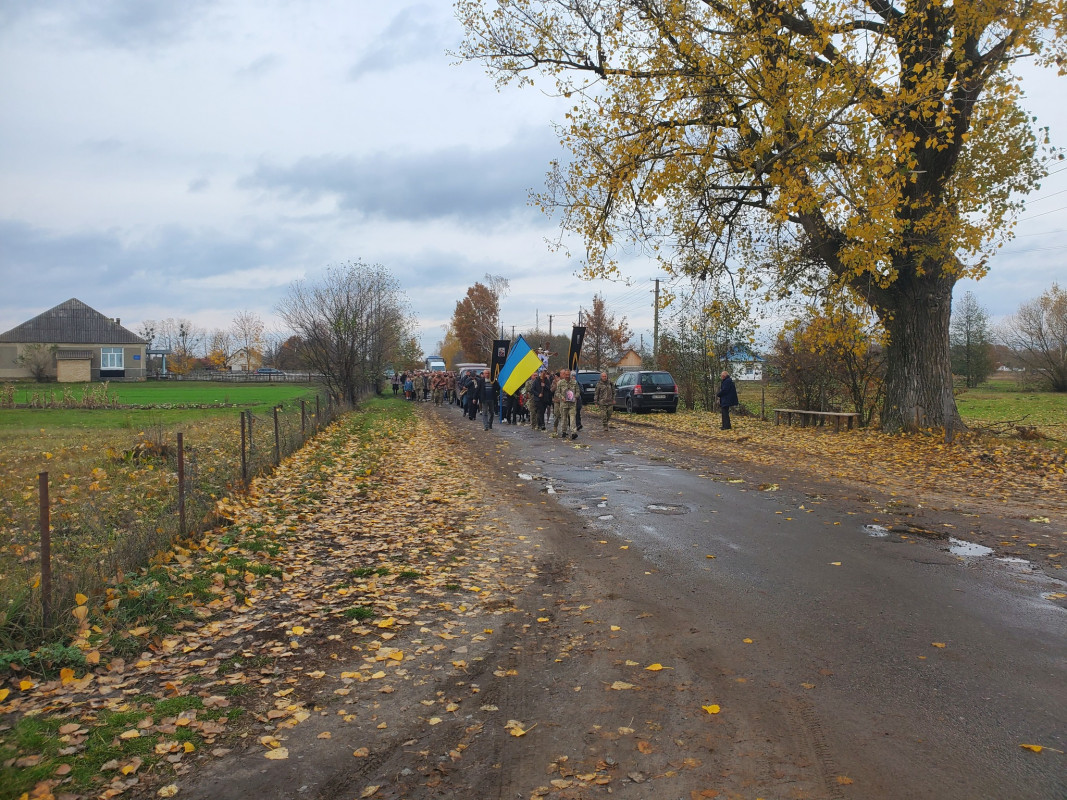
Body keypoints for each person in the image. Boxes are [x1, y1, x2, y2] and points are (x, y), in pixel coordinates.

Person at [554, 368, 580, 440]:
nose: (567, 376)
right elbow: (557, 392)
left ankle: (573, 432)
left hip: (572, 403)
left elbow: (578, 392)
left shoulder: (574, 382)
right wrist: (562, 397)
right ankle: (564, 431)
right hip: (564, 403)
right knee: (564, 418)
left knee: (572, 418)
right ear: (564, 375)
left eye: (569, 375)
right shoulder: (560, 383)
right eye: (566, 374)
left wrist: (576, 397)